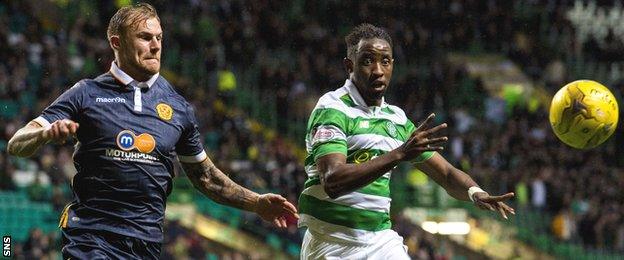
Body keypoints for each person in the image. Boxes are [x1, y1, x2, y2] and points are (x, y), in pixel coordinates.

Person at [6, 3, 298, 259]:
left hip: (147, 244)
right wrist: (44, 134)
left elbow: (207, 178)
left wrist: (256, 202)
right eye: (145, 38)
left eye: (159, 38)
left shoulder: (178, 107)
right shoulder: (87, 93)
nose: (156, 46)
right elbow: (17, 144)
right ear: (116, 43)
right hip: (92, 238)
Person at [298, 23, 515, 259]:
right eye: (368, 60)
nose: (378, 70)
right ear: (349, 66)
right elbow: (333, 181)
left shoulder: (396, 119)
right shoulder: (332, 109)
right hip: (331, 242)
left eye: (386, 61)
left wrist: (475, 193)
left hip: (380, 241)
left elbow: (446, 174)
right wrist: (399, 154)